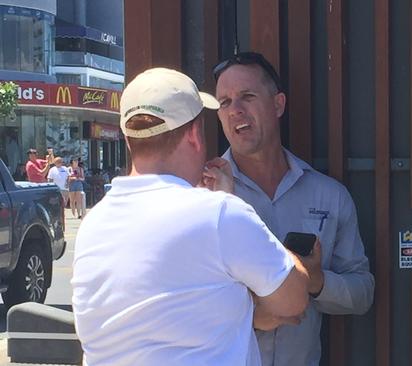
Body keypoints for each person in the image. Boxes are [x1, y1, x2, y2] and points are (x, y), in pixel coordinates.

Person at [71, 67, 309, 365]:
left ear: (129, 139)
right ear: (195, 134)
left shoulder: (92, 224)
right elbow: (294, 299)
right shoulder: (220, 214)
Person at [213, 52, 375, 366]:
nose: (235, 111)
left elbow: (362, 293)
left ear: (278, 104)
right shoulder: (203, 195)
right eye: (225, 102)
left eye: (247, 96)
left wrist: (316, 282)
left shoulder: (329, 195)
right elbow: (181, 299)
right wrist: (250, 317)